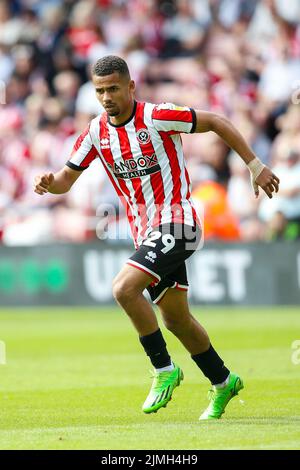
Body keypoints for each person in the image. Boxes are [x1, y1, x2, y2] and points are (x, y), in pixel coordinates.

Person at [34, 55, 280, 420]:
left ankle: (164, 369)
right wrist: (49, 184)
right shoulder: (95, 133)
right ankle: (224, 381)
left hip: (179, 224)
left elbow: (215, 121)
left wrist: (255, 165)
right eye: (100, 90)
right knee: (177, 320)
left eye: (114, 88)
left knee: (122, 288)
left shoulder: (158, 116)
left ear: (131, 87)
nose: (106, 97)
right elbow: (66, 179)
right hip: (146, 233)